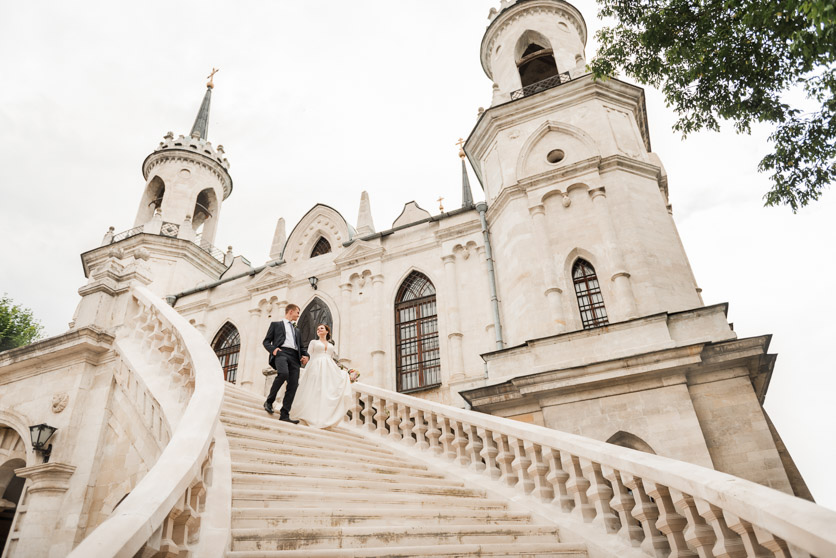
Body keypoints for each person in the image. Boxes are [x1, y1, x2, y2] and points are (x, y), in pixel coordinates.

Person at [290, 324, 353, 429]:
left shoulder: (330, 345)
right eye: (318, 329)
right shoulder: (313, 342)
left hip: (329, 368)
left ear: (327, 331)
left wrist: (346, 371)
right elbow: (308, 355)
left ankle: (323, 417)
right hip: (316, 366)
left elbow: (333, 359)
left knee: (325, 391)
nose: (319, 330)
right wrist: (304, 362)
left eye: (321, 328)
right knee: (315, 390)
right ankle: (310, 415)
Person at [262, 304, 309, 423]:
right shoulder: (275, 325)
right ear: (291, 311)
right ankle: (269, 401)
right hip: (281, 353)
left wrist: (306, 355)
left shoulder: (297, 330)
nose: (299, 315)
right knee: (283, 373)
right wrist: (274, 349)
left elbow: (301, 347)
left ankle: (285, 414)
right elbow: (266, 341)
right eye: (297, 312)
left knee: (293, 385)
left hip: (295, 357)